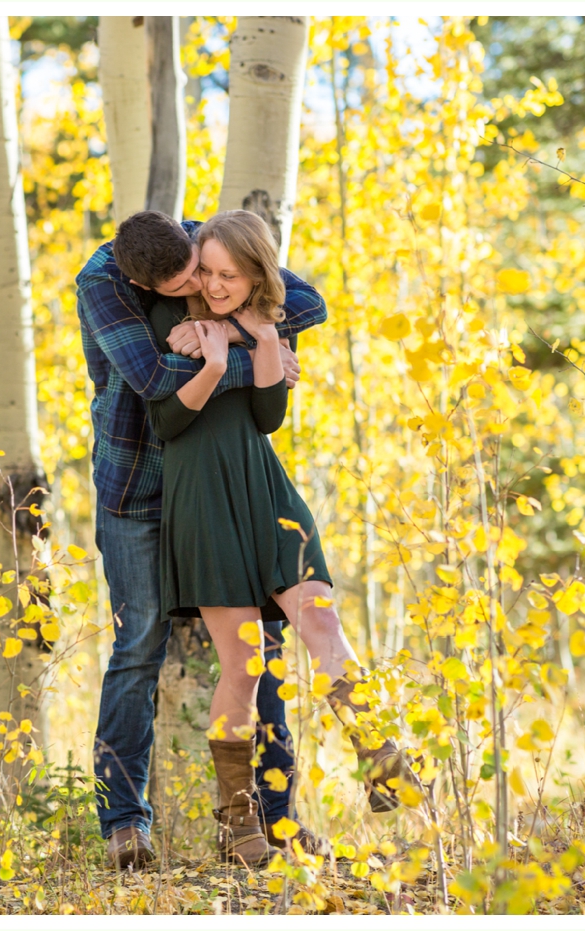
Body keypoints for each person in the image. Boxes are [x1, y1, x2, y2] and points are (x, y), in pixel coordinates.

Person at [149, 211, 420, 867]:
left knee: (321, 620)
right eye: (206, 271)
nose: (213, 285)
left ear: (255, 275)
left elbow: (268, 416)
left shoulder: (267, 321)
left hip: (266, 490)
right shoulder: (169, 320)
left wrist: (256, 337)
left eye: (228, 275)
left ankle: (381, 761)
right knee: (243, 665)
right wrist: (214, 361)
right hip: (204, 501)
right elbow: (166, 418)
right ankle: (236, 822)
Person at [75, 209, 324, 869]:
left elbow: (300, 299)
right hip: (138, 490)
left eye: (204, 271)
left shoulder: (202, 240)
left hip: (213, 489)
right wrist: (261, 362)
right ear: (143, 282)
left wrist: (237, 327)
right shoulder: (104, 282)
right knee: (138, 647)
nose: (199, 286)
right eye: (183, 282)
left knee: (258, 646)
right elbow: (158, 383)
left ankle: (274, 819)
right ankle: (125, 822)